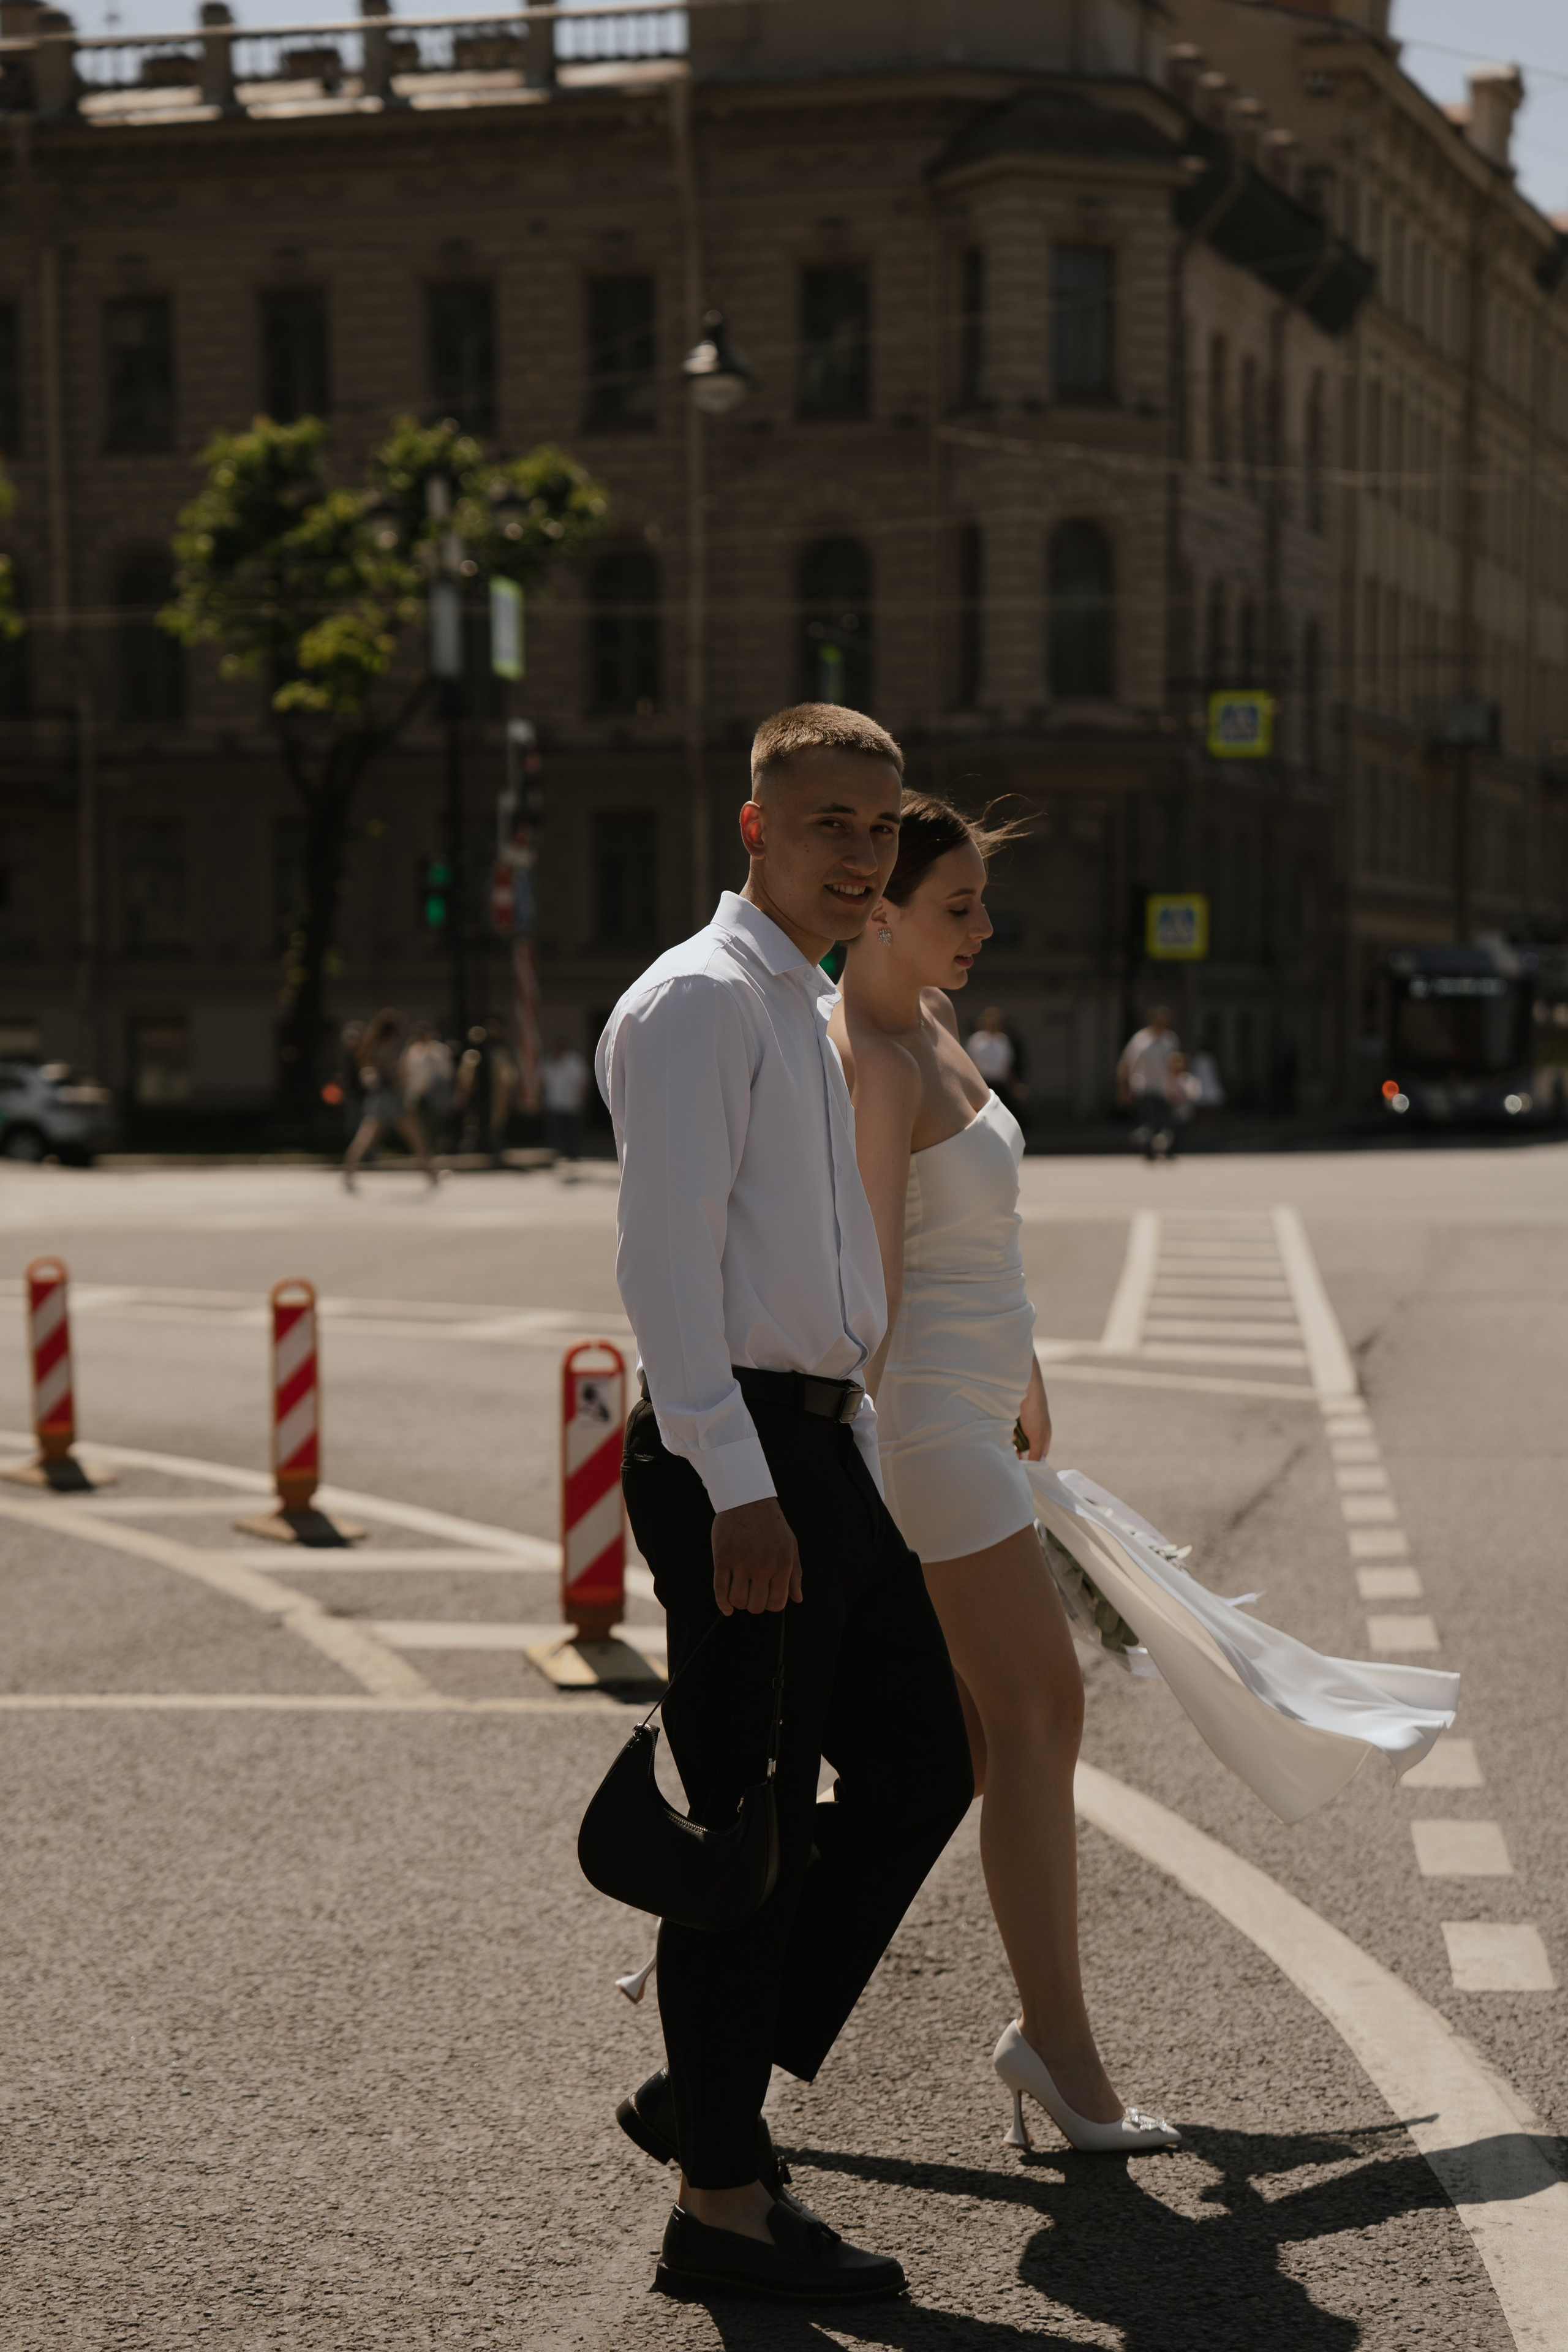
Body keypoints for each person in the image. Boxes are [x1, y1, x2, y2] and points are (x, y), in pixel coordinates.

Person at [597, 706, 973, 2305]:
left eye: (880, 830)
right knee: (742, 1830)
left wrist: (857, 1445)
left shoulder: (803, 1004)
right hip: (733, 1455)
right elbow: (668, 1274)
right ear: (754, 827)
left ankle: (711, 2082)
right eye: (830, 823)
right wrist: (740, 1488)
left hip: (812, 1447)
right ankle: (722, 2206)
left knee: (917, 1760)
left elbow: (807, 1274)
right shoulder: (699, 1003)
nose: (863, 856)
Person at [831, 796, 1179, 2155]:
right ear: (879, 907)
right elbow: (869, 1281)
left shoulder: (931, 1025)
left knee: (985, 1743)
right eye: (957, 905)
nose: (984, 926)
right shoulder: (868, 1051)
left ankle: (746, 2013)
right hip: (921, 1427)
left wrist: (1027, 1378)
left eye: (982, 902)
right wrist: (845, 1479)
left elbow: (980, 1232)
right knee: (1038, 1714)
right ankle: (1058, 2048)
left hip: (981, 1406)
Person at [341, 1008, 437, 1191]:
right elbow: (395, 1074)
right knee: (416, 1137)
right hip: (392, 1097)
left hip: (379, 1097)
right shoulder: (389, 1047)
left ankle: (348, 1172)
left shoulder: (372, 1046)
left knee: (366, 1136)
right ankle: (430, 1173)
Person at [1117, 1006, 1180, 1162]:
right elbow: (1126, 1063)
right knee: (1149, 1123)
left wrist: (1177, 1086)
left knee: (1166, 1124)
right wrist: (1124, 1089)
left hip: (1164, 1088)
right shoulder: (1140, 1040)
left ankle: (1166, 1150)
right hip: (1144, 1087)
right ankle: (1148, 1152)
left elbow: (1175, 1066)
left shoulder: (1170, 1040)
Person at [964, 1005, 1028, 1124]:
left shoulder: (1003, 1040)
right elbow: (969, 1065)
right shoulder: (976, 1040)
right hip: (982, 1084)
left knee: (1005, 1117)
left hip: (1000, 1084)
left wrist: (1014, 1085)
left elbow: (1007, 1066)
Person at [400, 1022, 453, 1158]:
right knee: (418, 1123)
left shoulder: (438, 1050)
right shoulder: (412, 1051)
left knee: (435, 1123)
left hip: (434, 1094)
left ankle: (435, 1150)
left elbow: (446, 1072)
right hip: (417, 1094)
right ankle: (422, 1151)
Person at [540, 1036, 590, 1172]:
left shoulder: (574, 1061)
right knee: (556, 1130)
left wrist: (582, 1099)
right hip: (555, 1103)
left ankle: (573, 1154)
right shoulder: (550, 1061)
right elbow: (544, 1080)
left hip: (571, 1104)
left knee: (571, 1131)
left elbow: (582, 1080)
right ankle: (558, 1154)